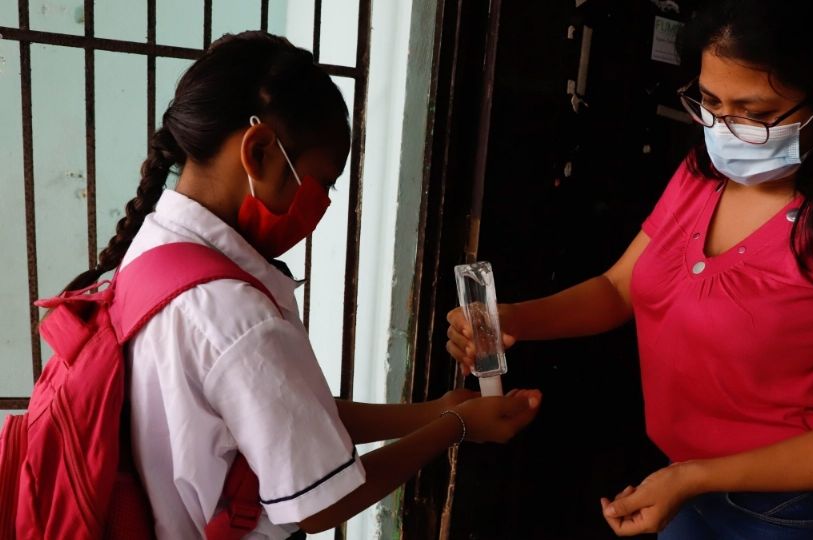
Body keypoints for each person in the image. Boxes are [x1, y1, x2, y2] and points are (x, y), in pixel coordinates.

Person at [446, 1, 813, 537]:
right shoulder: (703, 173)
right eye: (710, 102)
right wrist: (517, 319)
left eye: (755, 113)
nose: (726, 129)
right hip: (683, 481)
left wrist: (695, 478)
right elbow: (618, 288)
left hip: (788, 508)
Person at [62, 31, 541, 539]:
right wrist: (458, 429)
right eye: (323, 183)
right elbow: (316, 506)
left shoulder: (156, 251)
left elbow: (289, 415)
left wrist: (434, 411)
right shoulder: (236, 316)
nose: (323, 207)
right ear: (260, 150)